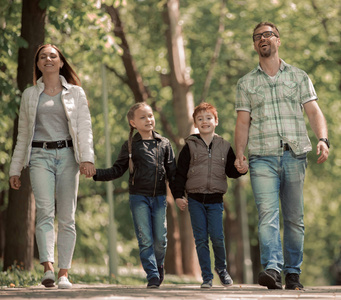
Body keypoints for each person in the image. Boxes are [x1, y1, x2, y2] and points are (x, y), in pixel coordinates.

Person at [234, 22, 329, 290]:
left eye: (268, 35)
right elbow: (243, 122)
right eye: (257, 37)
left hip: (295, 155)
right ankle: (273, 269)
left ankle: (293, 274)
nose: (263, 39)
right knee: (267, 215)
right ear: (254, 45)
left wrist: (323, 139)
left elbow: (313, 111)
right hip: (261, 157)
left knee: (294, 219)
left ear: (278, 40)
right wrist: (239, 154)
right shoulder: (246, 83)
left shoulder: (299, 76)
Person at [9, 44, 95, 289]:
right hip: (39, 156)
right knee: (45, 212)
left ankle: (63, 273)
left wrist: (87, 158)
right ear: (37, 64)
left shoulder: (76, 93)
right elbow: (23, 133)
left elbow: (85, 128)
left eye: (53, 56)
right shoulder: (29, 95)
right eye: (43, 56)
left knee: (67, 216)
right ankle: (47, 268)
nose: (48, 59)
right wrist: (15, 169)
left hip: (68, 156)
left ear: (60, 62)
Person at [92, 102, 176, 289]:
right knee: (145, 239)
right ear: (133, 123)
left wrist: (179, 195)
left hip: (160, 198)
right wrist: (95, 173)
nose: (148, 120)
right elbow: (117, 170)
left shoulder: (164, 143)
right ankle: (152, 275)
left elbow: (173, 174)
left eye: (150, 115)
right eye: (143, 117)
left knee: (161, 240)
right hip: (138, 198)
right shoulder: (130, 145)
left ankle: (159, 264)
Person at [172, 102, 248, 289]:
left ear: (216, 121)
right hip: (195, 199)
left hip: (215, 200)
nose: (204, 121)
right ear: (195, 124)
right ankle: (206, 276)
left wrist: (242, 169)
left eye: (208, 118)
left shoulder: (225, 146)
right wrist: (178, 195)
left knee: (217, 236)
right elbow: (179, 174)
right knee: (200, 239)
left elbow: (232, 171)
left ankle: (221, 270)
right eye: (200, 119)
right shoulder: (189, 146)